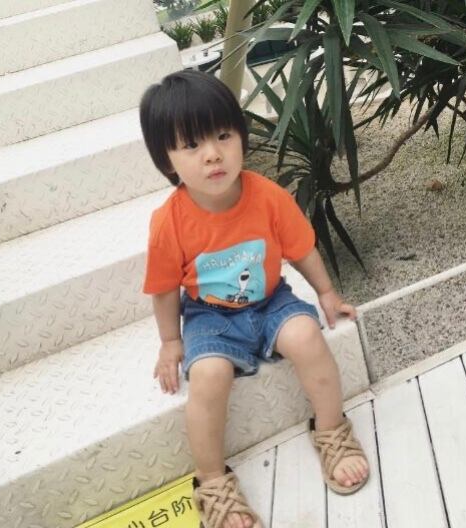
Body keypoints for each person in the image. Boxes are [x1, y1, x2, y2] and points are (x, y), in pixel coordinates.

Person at [139, 70, 369, 528]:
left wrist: (326, 293)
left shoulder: (267, 196)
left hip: (270, 300)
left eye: (224, 136)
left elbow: (301, 249)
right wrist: (170, 341)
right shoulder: (169, 222)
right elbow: (164, 288)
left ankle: (331, 429)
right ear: (167, 161)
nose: (213, 154)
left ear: (242, 137)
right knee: (208, 376)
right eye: (192, 145)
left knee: (307, 338)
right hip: (209, 316)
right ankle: (212, 480)